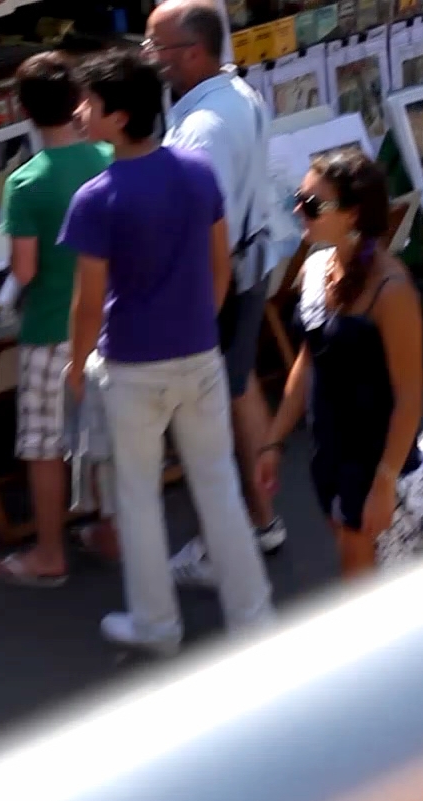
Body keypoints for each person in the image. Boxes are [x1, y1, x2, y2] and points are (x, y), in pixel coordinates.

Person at [60, 50, 275, 656]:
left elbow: (88, 301)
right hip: (198, 354)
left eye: (90, 105)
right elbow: (219, 268)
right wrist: (194, 324)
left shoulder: (96, 197)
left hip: (131, 364)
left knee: (137, 497)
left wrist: (77, 366)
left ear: (117, 116)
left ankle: (156, 625)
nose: (80, 113)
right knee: (217, 485)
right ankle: (253, 616)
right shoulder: (197, 174)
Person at [144, 0, 297, 590]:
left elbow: (204, 227)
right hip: (246, 265)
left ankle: (225, 541)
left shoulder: (204, 125)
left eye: (158, 49)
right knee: (237, 391)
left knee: (207, 409)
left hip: (222, 276)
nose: (152, 61)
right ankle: (261, 521)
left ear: (193, 52)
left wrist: (189, 303)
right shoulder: (236, 95)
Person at [257, 151, 423, 577]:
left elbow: (408, 398)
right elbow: (310, 361)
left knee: (368, 591)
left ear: (351, 214)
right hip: (328, 456)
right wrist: (273, 441)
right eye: (298, 198)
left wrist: (384, 484)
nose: (298, 211)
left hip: (375, 464)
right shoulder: (313, 269)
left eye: (311, 204)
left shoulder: (392, 290)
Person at [0, 51, 112, 588]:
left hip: (49, 330)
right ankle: (113, 531)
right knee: (104, 434)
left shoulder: (27, 182)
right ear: (80, 98)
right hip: (108, 322)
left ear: (24, 110)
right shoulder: (108, 155)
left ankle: (50, 552)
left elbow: (26, 268)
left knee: (44, 447)